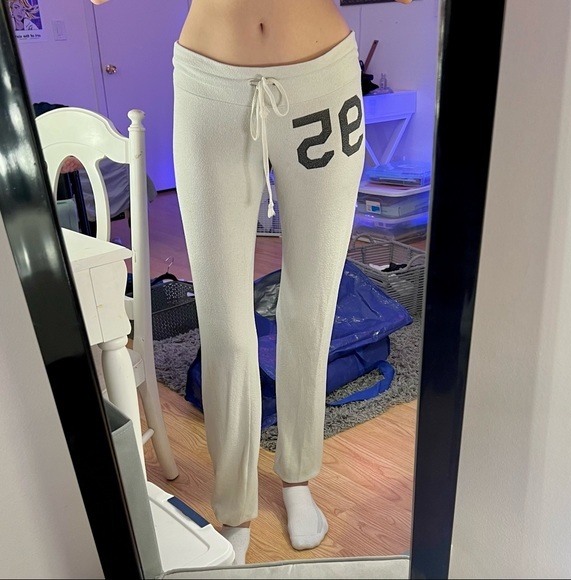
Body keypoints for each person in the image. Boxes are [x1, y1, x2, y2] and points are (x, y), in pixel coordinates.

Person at [91, 0, 412, 566]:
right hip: (210, 84)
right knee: (224, 325)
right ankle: (234, 504)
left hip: (321, 83)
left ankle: (298, 475)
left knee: (312, 306)